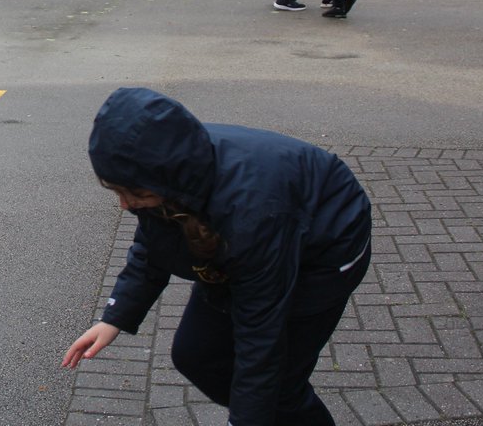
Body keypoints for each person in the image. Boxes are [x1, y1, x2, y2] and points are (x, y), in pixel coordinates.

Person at [63, 87, 372, 426]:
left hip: (325, 249)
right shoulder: (162, 168)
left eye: (134, 194)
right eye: (117, 191)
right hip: (248, 239)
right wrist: (116, 316)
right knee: (196, 355)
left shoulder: (252, 214)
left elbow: (259, 337)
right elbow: (153, 244)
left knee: (281, 385)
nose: (124, 205)